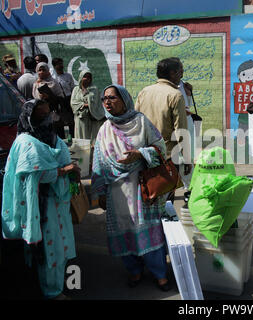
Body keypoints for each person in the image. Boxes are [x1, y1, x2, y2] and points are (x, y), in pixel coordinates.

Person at [91, 84, 171, 291]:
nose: (107, 102)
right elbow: (98, 163)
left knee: (149, 230)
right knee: (125, 231)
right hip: (117, 191)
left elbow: (160, 147)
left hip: (142, 187)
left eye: (112, 97)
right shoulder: (104, 129)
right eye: (104, 98)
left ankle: (159, 273)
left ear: (124, 99)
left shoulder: (141, 122)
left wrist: (140, 154)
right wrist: (100, 192)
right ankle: (134, 270)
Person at [1, 99, 80, 299]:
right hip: (40, 206)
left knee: (55, 245)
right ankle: (52, 291)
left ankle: (50, 284)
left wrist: (70, 171)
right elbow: (34, 175)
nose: (47, 119)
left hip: (57, 202)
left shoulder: (51, 137)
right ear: (29, 117)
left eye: (48, 114)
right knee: (49, 248)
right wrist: (63, 170)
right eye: (41, 115)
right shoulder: (25, 142)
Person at [134, 57, 192, 192]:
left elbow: (135, 121)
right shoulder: (175, 95)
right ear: (172, 73)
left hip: (145, 153)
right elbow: (181, 131)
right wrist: (187, 158)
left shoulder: (144, 91)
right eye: (180, 71)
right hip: (167, 155)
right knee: (164, 192)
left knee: (151, 193)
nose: (182, 75)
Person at [32, 62, 66, 138]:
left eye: (43, 70)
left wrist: (49, 97)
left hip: (53, 115)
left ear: (48, 71)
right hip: (40, 116)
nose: (41, 72)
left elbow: (61, 98)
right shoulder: (35, 84)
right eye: (39, 70)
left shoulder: (54, 83)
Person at [70, 70, 104, 144]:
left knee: (91, 139)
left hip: (91, 118)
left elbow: (97, 103)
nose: (87, 79)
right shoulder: (76, 90)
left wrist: (90, 105)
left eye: (89, 77)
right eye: (85, 76)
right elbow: (73, 103)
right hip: (80, 118)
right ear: (81, 78)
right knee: (81, 139)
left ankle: (92, 154)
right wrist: (84, 104)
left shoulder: (94, 89)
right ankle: (82, 154)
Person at [52, 57, 76, 137]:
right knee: (60, 122)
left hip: (68, 100)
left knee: (71, 122)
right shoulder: (53, 78)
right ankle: (62, 140)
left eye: (61, 64)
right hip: (59, 101)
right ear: (54, 66)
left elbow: (73, 88)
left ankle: (72, 138)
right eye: (58, 64)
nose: (61, 66)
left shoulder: (68, 76)